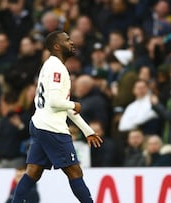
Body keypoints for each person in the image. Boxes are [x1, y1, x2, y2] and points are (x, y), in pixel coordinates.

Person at [12, 31, 103, 203]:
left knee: (33, 171)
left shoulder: (49, 66)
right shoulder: (57, 68)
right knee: (75, 171)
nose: (72, 42)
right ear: (56, 46)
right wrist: (74, 104)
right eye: (67, 40)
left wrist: (87, 130)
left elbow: (60, 105)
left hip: (40, 124)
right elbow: (56, 102)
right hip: (52, 128)